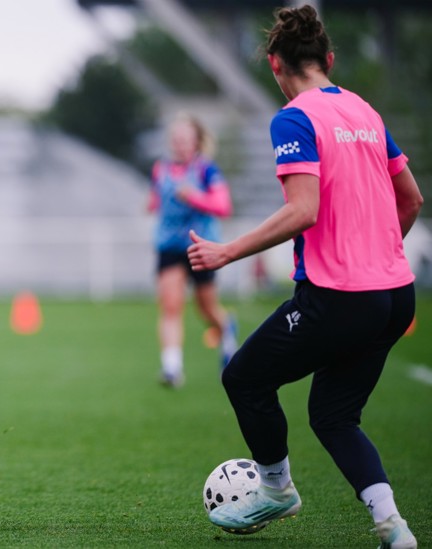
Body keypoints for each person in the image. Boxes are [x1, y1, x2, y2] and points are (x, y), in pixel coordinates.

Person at [188, 6, 422, 547]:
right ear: (329, 59)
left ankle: (276, 489)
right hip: (396, 294)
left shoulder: (294, 117)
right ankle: (393, 526)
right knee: (335, 415)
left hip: (340, 296)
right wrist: (378, 255)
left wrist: (227, 252)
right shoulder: (364, 111)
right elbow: (411, 199)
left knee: (244, 379)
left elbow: (303, 210)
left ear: (275, 64)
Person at [148, 113, 237, 388]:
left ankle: (226, 330)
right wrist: (151, 205)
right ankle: (172, 368)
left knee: (205, 308)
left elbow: (223, 206)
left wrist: (194, 197)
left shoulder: (207, 170)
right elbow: (155, 200)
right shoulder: (160, 169)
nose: (179, 144)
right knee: (170, 305)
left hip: (200, 246)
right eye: (175, 139)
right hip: (169, 247)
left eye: (184, 139)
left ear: (196, 142)